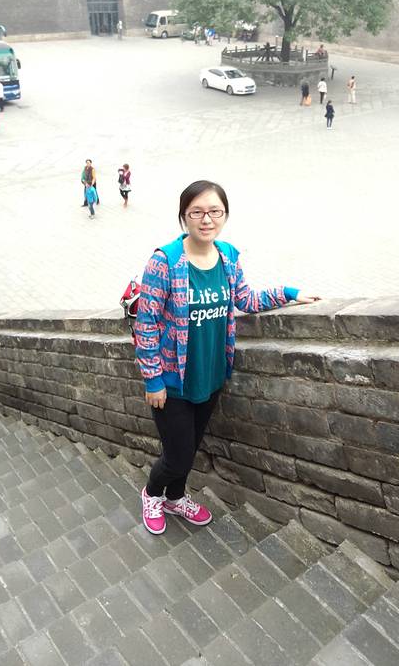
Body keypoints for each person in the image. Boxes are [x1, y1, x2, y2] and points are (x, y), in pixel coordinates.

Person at [134, 179, 320, 535]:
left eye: (214, 211)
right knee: (177, 455)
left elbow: (246, 299)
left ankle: (176, 497)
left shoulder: (228, 256)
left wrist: (289, 292)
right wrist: (153, 379)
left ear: (225, 215)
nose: (207, 220)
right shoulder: (165, 261)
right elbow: (147, 323)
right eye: (197, 212)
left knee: (190, 448)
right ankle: (152, 494)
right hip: (173, 381)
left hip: (212, 374)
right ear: (184, 217)